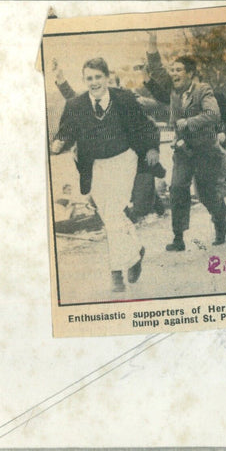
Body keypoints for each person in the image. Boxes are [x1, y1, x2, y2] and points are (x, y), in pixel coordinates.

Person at [51, 57, 160, 292]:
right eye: (89, 78)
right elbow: (67, 130)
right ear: (84, 80)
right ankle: (135, 251)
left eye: (98, 77)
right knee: (113, 215)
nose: (94, 82)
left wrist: (152, 147)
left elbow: (145, 126)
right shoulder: (77, 105)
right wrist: (59, 142)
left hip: (124, 159)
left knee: (112, 212)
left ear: (107, 77)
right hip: (95, 166)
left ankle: (116, 273)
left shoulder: (124, 99)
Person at [51, 59, 166, 222]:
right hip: (106, 164)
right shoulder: (90, 103)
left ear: (116, 86)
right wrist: (61, 80)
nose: (99, 86)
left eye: (108, 82)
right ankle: (131, 234)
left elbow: (150, 123)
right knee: (111, 207)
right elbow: (75, 101)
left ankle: (148, 206)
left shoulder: (129, 100)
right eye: (91, 79)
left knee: (135, 203)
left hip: (133, 158)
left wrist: (152, 148)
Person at [145, 35, 226, 251]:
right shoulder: (174, 91)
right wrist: (152, 44)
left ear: (190, 74)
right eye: (172, 71)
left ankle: (220, 221)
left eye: (179, 70)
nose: (173, 74)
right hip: (183, 151)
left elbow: (214, 114)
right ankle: (178, 238)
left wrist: (188, 122)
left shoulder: (203, 90)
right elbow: (156, 69)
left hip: (206, 151)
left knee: (207, 195)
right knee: (177, 189)